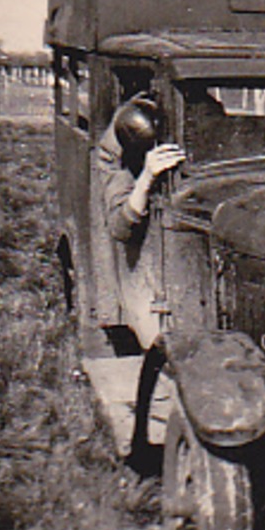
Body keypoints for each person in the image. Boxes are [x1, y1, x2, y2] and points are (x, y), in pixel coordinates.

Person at [95, 93, 187, 350]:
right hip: (148, 262)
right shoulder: (124, 136)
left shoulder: (199, 111)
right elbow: (120, 225)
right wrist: (147, 177)